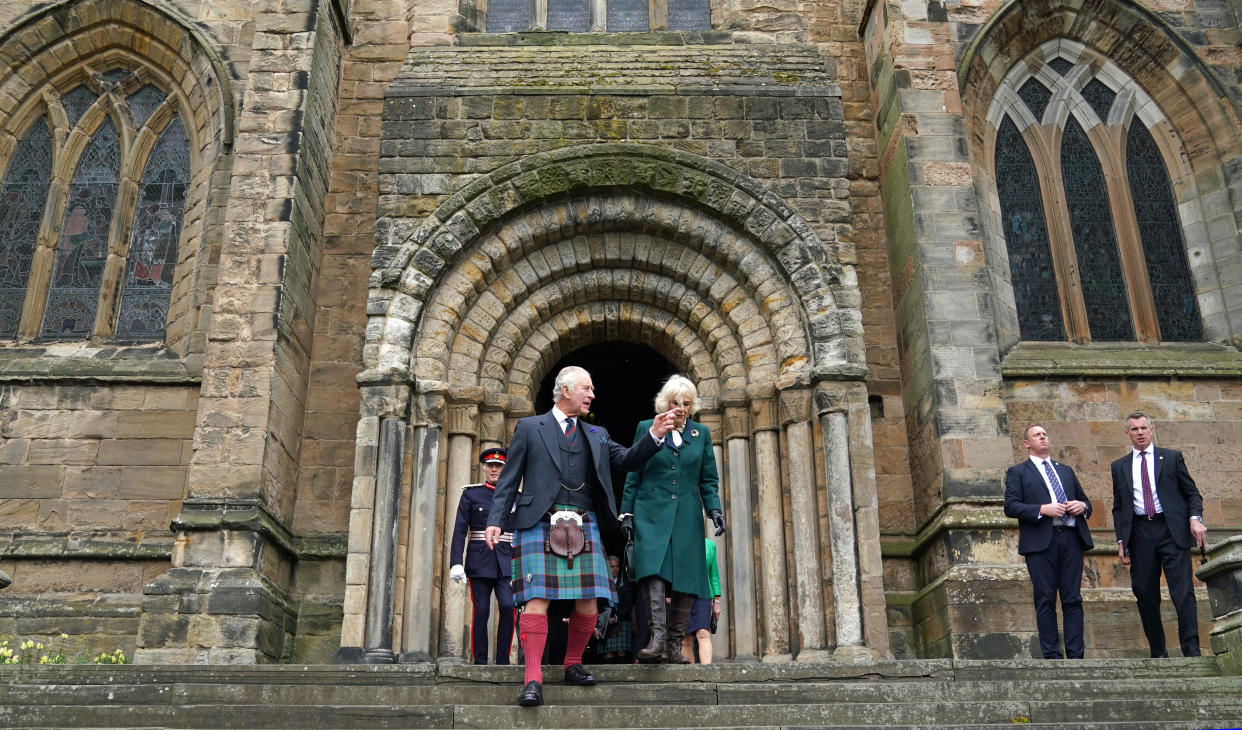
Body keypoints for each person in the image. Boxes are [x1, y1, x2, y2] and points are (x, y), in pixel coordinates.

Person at [484, 365, 676, 707]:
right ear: (566, 391)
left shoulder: (597, 434)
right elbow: (510, 479)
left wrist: (655, 435)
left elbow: (629, 459)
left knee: (588, 602)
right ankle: (532, 677)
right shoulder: (530, 427)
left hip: (583, 523)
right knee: (537, 599)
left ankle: (573, 664)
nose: (591, 395)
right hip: (538, 521)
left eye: (592, 390)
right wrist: (497, 520)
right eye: (586, 389)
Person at [619, 374, 726, 664]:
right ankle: (656, 640)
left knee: (687, 577)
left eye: (686, 403)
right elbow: (633, 472)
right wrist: (626, 512)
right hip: (650, 512)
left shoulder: (700, 434)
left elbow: (708, 479)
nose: (680, 407)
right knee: (652, 571)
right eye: (675, 402)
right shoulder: (647, 427)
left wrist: (714, 508)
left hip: (687, 515)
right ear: (665, 402)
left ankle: (675, 646)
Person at [1111, 412, 1207, 657]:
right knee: (1144, 592)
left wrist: (1195, 519)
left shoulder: (1172, 458)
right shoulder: (1119, 466)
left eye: (1144, 428)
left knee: (1183, 592)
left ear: (1152, 430)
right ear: (1127, 434)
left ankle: (1191, 651)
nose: (1140, 432)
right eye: (1134, 429)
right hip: (1140, 532)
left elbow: (1192, 494)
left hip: (1170, 529)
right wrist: (1121, 540)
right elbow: (1119, 507)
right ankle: (1158, 652)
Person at [1003, 424, 1093, 659]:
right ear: (1027, 444)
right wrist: (1042, 509)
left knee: (1073, 598)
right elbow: (1010, 506)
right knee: (1045, 598)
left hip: (1071, 539)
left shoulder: (1065, 470)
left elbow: (1086, 501)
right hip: (1041, 543)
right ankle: (1052, 655)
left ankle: (1076, 656)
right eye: (1037, 435)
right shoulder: (1018, 472)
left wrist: (1081, 506)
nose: (1043, 437)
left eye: (1044, 434)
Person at [448, 447, 514, 665]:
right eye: (490, 466)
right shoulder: (471, 494)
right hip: (479, 561)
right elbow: (459, 530)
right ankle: (480, 661)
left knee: (507, 606)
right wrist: (456, 563)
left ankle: (503, 660)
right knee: (482, 610)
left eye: (499, 466)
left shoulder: (516, 495)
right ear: (484, 468)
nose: (494, 469)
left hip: (508, 561)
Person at [680, 537, 721, 664]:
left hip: (704, 593)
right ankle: (689, 676)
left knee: (703, 633)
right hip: (681, 593)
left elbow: (713, 573)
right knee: (685, 639)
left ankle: (707, 674)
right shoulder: (678, 542)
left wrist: (716, 601)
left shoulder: (709, 545)